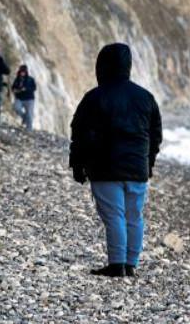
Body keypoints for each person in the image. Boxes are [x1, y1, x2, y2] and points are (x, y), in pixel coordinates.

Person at [69, 43, 163, 278]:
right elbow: (155, 135)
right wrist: (148, 162)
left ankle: (116, 264)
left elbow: (79, 133)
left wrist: (78, 164)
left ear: (101, 66)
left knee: (114, 217)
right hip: (137, 168)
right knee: (134, 216)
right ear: (128, 65)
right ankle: (131, 264)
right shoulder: (145, 97)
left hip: (105, 169)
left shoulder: (94, 97)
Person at [11, 65, 37, 130]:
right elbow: (13, 87)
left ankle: (29, 129)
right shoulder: (17, 79)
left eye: (24, 72)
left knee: (30, 114)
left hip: (29, 99)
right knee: (16, 108)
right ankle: (24, 118)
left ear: (26, 72)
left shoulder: (31, 79)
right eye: (21, 71)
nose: (22, 73)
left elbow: (34, 88)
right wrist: (15, 90)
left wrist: (26, 89)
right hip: (19, 98)